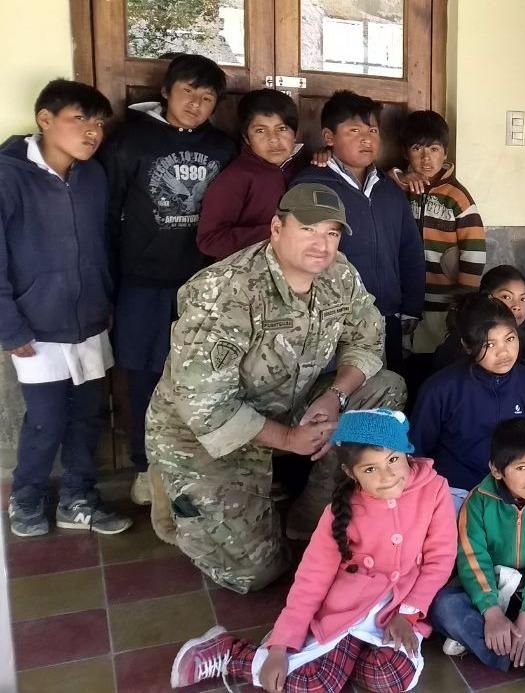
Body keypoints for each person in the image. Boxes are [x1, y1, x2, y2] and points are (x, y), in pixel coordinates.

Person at [145, 184, 407, 593]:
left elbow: (367, 340)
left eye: (332, 233)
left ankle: (316, 509)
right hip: (205, 434)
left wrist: (335, 396)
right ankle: (170, 483)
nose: (322, 244)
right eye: (308, 229)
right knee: (255, 574)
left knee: (384, 389)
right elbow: (204, 405)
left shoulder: (339, 274)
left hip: (290, 403)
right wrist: (287, 438)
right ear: (276, 228)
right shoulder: (224, 290)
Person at [169, 409, 456, 692]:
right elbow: (311, 579)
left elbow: (440, 559)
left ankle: (337, 661)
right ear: (350, 473)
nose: (388, 475)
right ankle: (232, 652)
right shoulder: (340, 512)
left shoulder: (435, 488)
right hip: (346, 610)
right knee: (311, 683)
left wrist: (407, 614)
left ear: (407, 452)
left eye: (393, 459)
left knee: (390, 677)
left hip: (399, 607)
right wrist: (281, 646)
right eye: (370, 469)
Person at [99, 54, 237, 506]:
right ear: (165, 92)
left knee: (204, 374)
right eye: (187, 92)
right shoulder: (129, 141)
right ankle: (146, 468)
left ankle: (196, 465)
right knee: (143, 376)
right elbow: (108, 210)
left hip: (203, 285)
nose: (196, 104)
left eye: (207, 97)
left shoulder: (223, 148)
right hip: (142, 282)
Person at [0, 79, 131, 537]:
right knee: (45, 420)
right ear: (45, 119)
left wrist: (107, 300)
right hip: (35, 326)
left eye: (98, 123)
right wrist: (9, 327)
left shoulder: (93, 176)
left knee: (88, 415)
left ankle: (78, 498)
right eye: (80, 119)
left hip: (90, 319)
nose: (93, 131)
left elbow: (104, 243)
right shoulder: (8, 176)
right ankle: (26, 498)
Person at [430, 419, 525, 687]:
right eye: (521, 467)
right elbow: (472, 558)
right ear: (496, 469)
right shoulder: (477, 501)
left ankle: (492, 638)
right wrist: (491, 611)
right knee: (444, 608)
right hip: (491, 584)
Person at [293, 90, 424, 375]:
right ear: (329, 137)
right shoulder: (311, 186)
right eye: (354, 131)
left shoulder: (390, 191)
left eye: (373, 131)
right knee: (334, 390)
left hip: (387, 315)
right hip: (331, 319)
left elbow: (410, 250)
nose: (367, 139)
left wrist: (411, 306)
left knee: (386, 387)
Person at [411, 294, 525, 509]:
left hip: (511, 491)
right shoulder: (441, 389)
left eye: (510, 339)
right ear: (466, 345)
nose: (504, 352)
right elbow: (417, 451)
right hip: (454, 490)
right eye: (489, 344)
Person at [397, 109, 486, 355]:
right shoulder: (401, 190)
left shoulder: (457, 197)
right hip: (406, 299)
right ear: (405, 152)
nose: (426, 158)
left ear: (445, 153)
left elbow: (474, 252)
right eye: (417, 148)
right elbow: (381, 182)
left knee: (439, 357)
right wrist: (400, 176)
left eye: (434, 149)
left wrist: (464, 301)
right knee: (407, 359)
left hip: (445, 303)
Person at [197, 89, 307, 260]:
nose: (273, 139)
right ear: (246, 138)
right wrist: (277, 232)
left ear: (295, 133)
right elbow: (210, 240)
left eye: (282, 128)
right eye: (260, 131)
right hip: (250, 272)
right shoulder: (236, 178)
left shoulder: (304, 167)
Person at [432, 265, 525, 372]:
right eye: (506, 297)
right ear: (487, 298)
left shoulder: (519, 340)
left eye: (523, 299)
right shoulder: (463, 343)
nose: (517, 306)